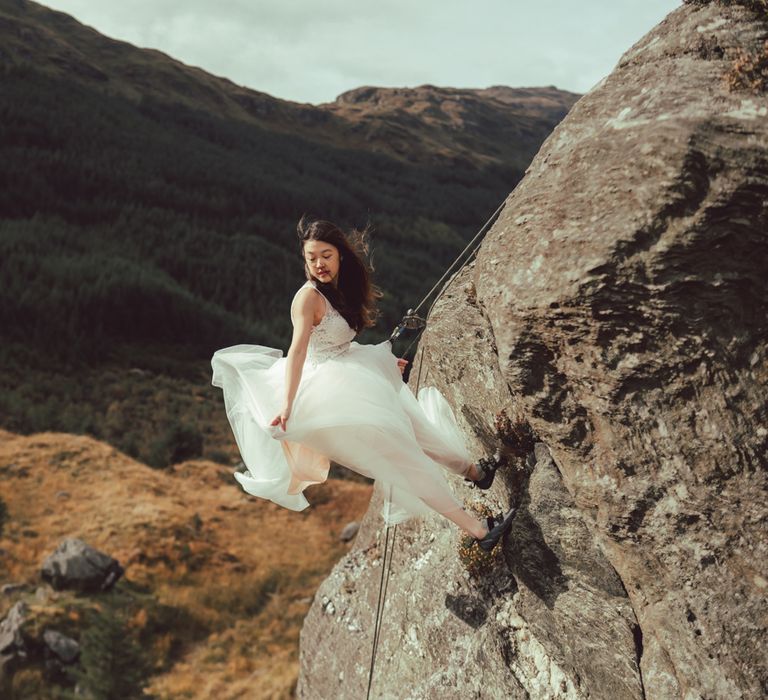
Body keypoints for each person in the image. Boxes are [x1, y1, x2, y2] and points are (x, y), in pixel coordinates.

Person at [210, 217, 515, 551]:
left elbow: (338, 345)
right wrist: (287, 403)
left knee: (416, 425)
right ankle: (480, 532)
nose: (318, 264)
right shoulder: (307, 298)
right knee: (404, 458)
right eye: (311, 257)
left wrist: (381, 362)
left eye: (325, 255)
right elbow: (297, 350)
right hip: (330, 393)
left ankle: (474, 473)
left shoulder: (342, 289)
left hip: (350, 372)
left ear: (340, 254)